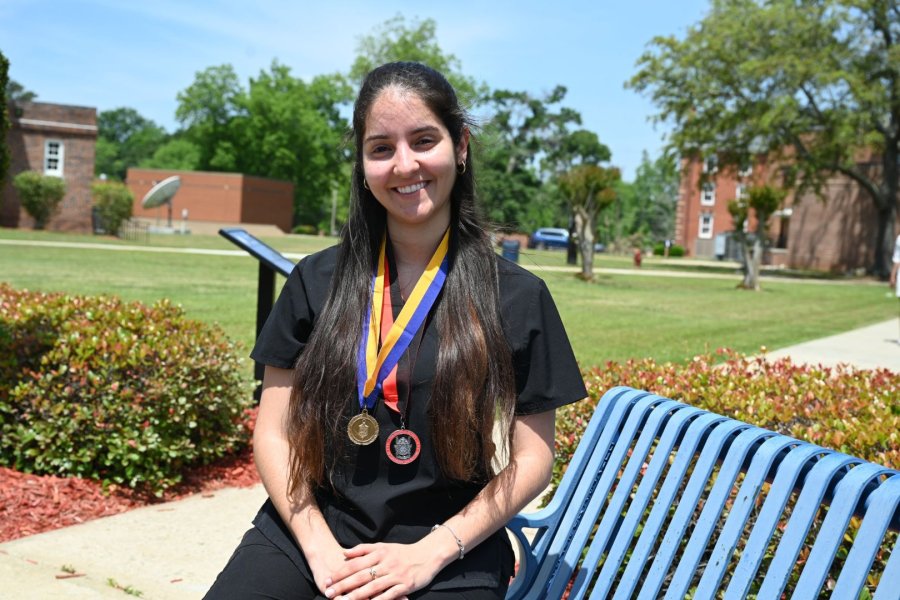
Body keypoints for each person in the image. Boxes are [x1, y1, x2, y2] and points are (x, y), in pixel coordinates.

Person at [204, 61, 586, 600]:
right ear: (362, 165)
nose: (404, 164)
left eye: (424, 140)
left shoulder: (517, 297)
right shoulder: (315, 281)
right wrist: (318, 548)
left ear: (461, 146)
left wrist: (430, 553)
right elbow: (273, 431)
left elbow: (533, 459)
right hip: (313, 525)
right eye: (381, 147)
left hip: (453, 543)